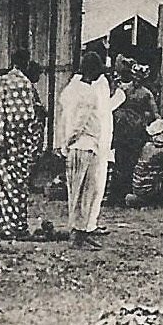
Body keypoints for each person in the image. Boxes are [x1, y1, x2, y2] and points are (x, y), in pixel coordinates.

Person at [0, 48, 44, 239]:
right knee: (17, 186)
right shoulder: (24, 85)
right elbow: (26, 117)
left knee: (0, 185)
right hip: (17, 145)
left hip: (0, 144)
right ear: (25, 62)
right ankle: (16, 226)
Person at [58, 50, 107, 249]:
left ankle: (81, 231)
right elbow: (78, 122)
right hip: (83, 144)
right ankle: (78, 233)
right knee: (84, 190)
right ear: (92, 71)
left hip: (81, 145)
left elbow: (64, 111)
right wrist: (69, 140)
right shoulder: (88, 92)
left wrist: (65, 141)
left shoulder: (72, 88)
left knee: (81, 189)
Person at [110, 56, 161, 203]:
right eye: (135, 76)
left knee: (132, 162)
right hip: (122, 129)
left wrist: (158, 125)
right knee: (119, 161)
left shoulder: (146, 94)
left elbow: (154, 112)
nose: (137, 80)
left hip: (136, 131)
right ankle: (116, 195)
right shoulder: (123, 89)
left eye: (140, 78)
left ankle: (127, 193)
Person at [88, 50, 125, 232]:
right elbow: (104, 109)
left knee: (96, 183)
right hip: (98, 138)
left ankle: (90, 222)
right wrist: (119, 95)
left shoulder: (94, 83)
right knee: (96, 183)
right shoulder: (99, 83)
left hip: (101, 137)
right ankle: (89, 224)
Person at [124, 120, 163, 208]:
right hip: (147, 190)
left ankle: (139, 199)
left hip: (138, 188)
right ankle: (158, 200)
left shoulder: (147, 146)